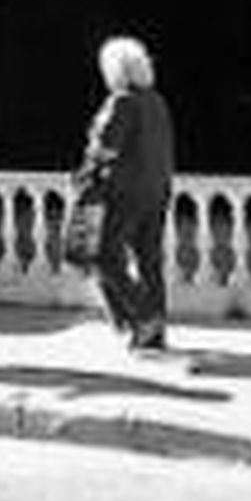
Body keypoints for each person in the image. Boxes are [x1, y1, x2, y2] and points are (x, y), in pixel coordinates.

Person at [75, 35, 175, 353]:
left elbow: (106, 146)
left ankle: (142, 319)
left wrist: (86, 173)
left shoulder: (122, 101)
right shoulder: (157, 101)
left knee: (103, 256)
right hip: (158, 190)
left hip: (124, 191)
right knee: (149, 261)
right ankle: (153, 333)